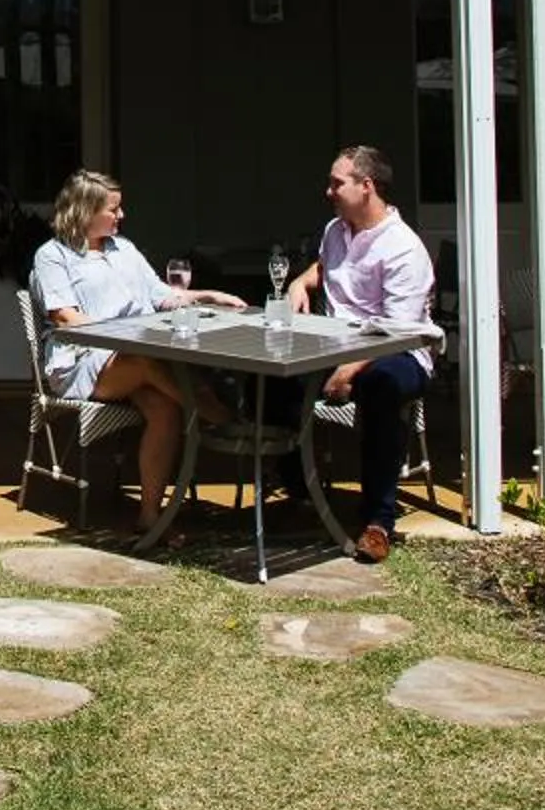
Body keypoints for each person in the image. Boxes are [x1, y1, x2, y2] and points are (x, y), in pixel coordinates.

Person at [29, 169, 246, 518]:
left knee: (164, 408)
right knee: (149, 361)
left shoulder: (125, 249)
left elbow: (162, 297)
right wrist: (125, 334)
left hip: (137, 358)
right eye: (113, 209)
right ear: (85, 210)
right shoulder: (54, 255)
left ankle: (150, 520)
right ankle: (216, 416)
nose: (121, 216)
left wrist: (209, 296)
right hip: (83, 361)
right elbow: (65, 317)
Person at [283, 144, 435, 565]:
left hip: (398, 351)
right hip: (339, 344)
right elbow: (327, 267)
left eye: (337, 183)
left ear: (366, 187)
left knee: (384, 387)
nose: (328, 191)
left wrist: (346, 372)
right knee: (270, 373)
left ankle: (377, 523)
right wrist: (301, 281)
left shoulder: (403, 248)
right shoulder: (336, 230)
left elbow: (396, 330)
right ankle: (301, 494)